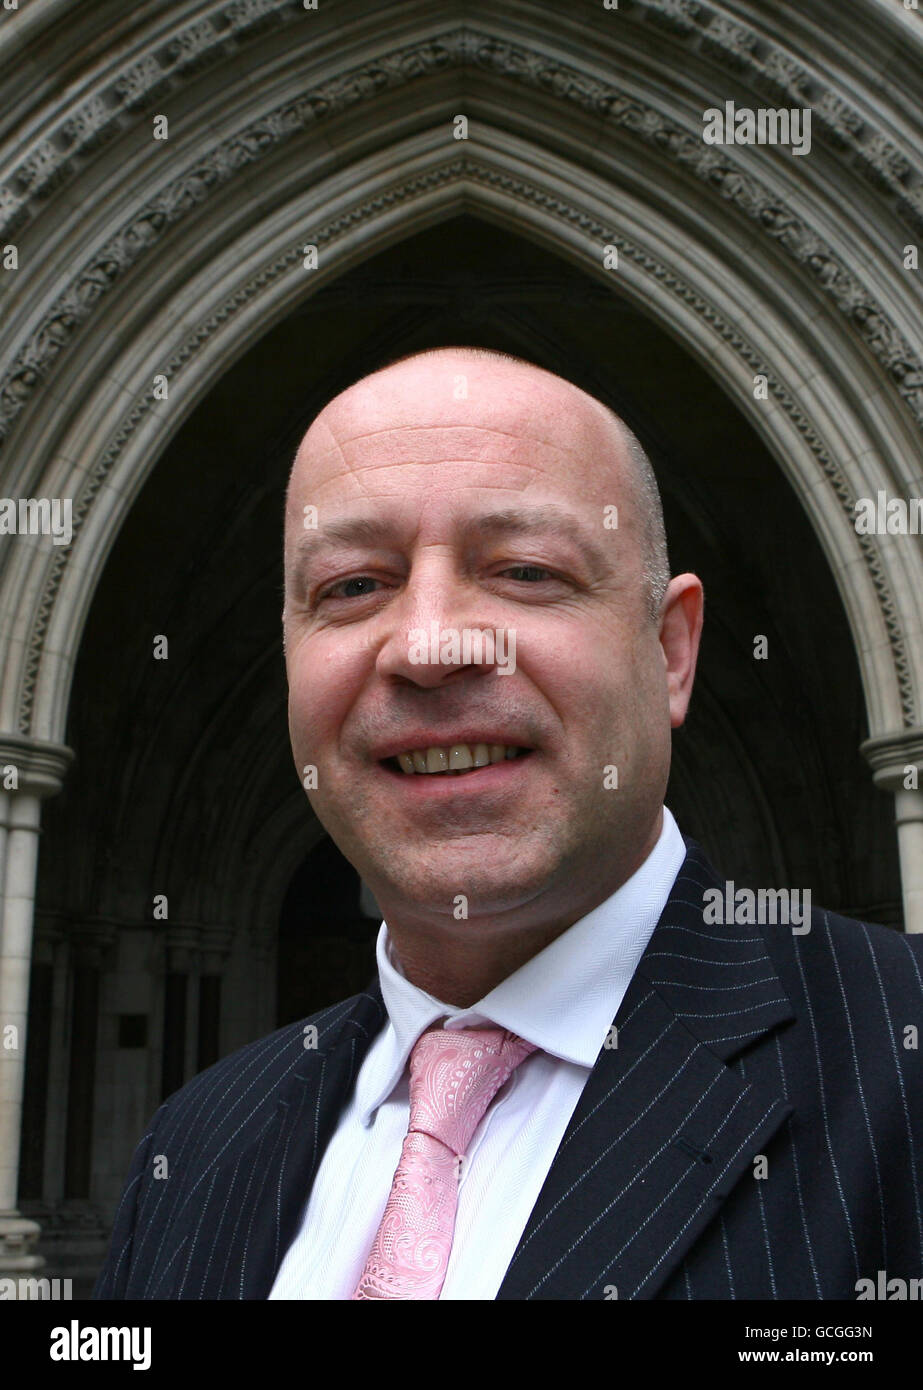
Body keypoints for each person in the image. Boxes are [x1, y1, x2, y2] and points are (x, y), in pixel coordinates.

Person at [94, 346, 923, 1301]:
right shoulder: (198, 1145)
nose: (432, 645)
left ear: (669, 651)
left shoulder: (896, 1061)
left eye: (526, 570)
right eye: (354, 586)